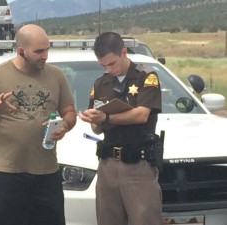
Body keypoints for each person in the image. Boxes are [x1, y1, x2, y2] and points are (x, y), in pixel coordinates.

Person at [0, 24, 77, 225]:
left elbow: (69, 112)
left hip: (47, 174)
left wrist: (65, 125)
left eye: (47, 49)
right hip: (8, 175)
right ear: (21, 51)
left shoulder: (56, 75)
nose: (45, 56)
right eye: (39, 51)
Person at [78, 32, 162, 225]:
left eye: (112, 63)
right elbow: (97, 129)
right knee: (108, 219)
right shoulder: (101, 83)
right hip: (108, 165)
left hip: (137, 166)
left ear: (123, 52)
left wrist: (107, 117)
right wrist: (94, 119)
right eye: (103, 65)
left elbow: (142, 115)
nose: (109, 69)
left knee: (144, 219)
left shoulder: (145, 77)